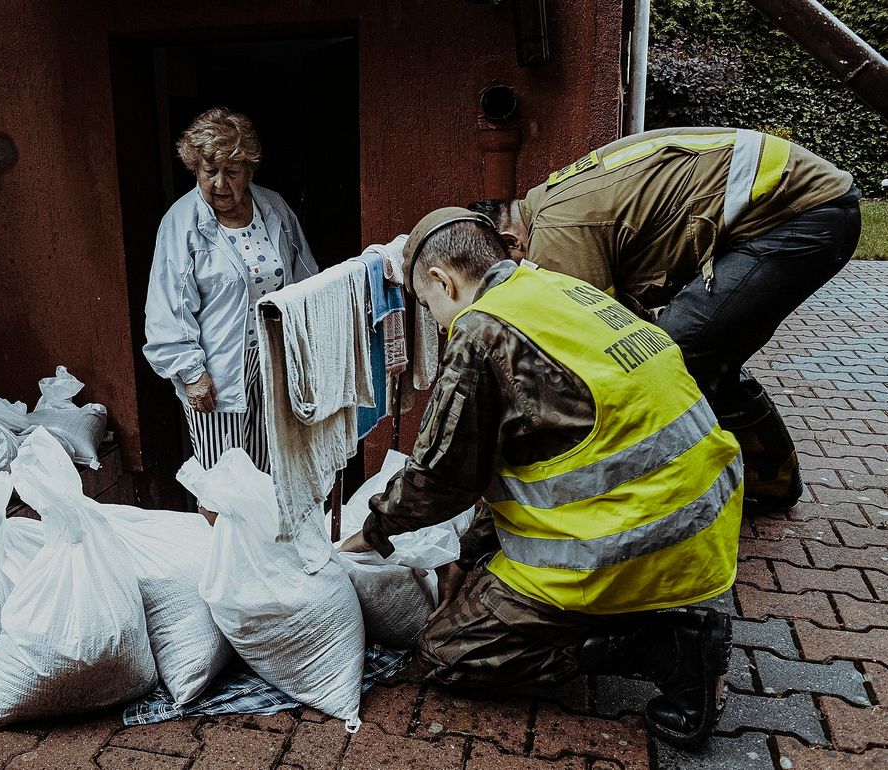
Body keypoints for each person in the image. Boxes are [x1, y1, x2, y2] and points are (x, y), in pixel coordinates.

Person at [340, 207, 744, 748]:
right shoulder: (552, 289)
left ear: (442, 280)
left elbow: (441, 477)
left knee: (448, 652)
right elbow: (524, 458)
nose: (435, 322)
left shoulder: (481, 333)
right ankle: (630, 622)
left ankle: (664, 648)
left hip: (638, 536)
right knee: (485, 578)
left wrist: (371, 532)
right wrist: (467, 554)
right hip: (703, 509)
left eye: (427, 303)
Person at [468, 127, 862, 513]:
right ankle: (770, 475)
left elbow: (595, 345)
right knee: (700, 350)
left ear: (509, 241)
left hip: (802, 211)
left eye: (501, 277)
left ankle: (755, 478)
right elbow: (619, 317)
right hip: (794, 202)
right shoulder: (550, 204)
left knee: (673, 353)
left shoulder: (556, 236)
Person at [143, 107, 318, 473]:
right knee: (223, 482)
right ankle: (221, 534)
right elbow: (168, 309)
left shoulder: (274, 208)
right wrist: (191, 373)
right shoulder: (181, 223)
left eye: (232, 172)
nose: (220, 184)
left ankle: (264, 535)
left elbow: (306, 280)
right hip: (217, 373)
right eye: (209, 172)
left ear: (250, 171)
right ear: (195, 169)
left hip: (275, 365)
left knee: (272, 472)